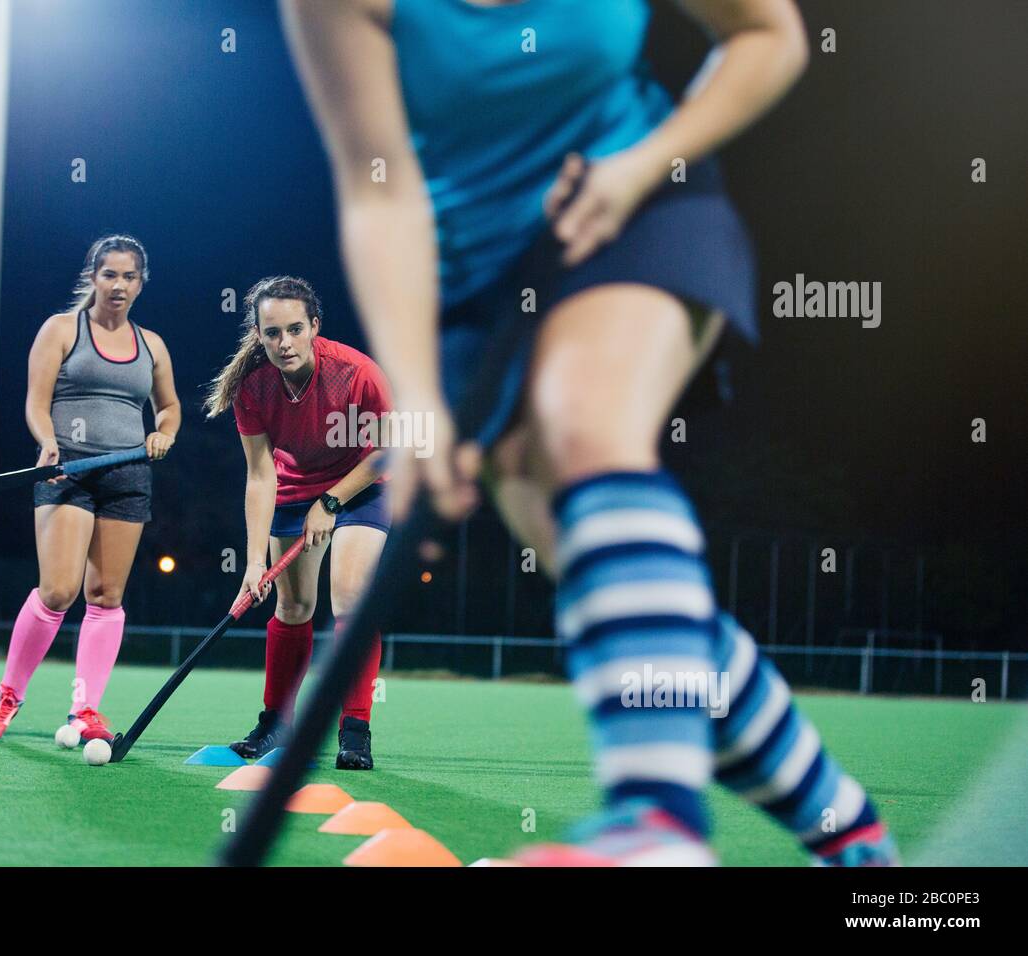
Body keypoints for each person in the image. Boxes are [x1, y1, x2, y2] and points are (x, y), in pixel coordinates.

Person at [280, 0, 898, 863]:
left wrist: (642, 165)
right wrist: (417, 400)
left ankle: (656, 823)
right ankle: (852, 834)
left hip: (633, 201)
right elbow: (378, 190)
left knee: (583, 429)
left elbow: (769, 36)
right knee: (626, 591)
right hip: (475, 282)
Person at [0, 235, 180, 744]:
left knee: (106, 596)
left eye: (129, 276)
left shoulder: (152, 345)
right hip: (67, 471)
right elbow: (36, 402)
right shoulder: (62, 329)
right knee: (59, 591)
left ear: (141, 283)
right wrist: (48, 443)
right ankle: (7, 694)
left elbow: (170, 406)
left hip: (128, 477)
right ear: (93, 277)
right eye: (110, 274)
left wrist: (164, 432)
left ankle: (85, 710)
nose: (119, 285)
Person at [204, 276, 391, 769]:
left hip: (362, 483)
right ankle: (274, 725)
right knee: (292, 606)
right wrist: (253, 563)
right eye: (272, 333)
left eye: (294, 329)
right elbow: (260, 474)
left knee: (348, 597)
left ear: (314, 326)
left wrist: (330, 501)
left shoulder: (357, 373)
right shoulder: (252, 385)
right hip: (295, 486)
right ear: (258, 334)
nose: (284, 343)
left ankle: (355, 731)